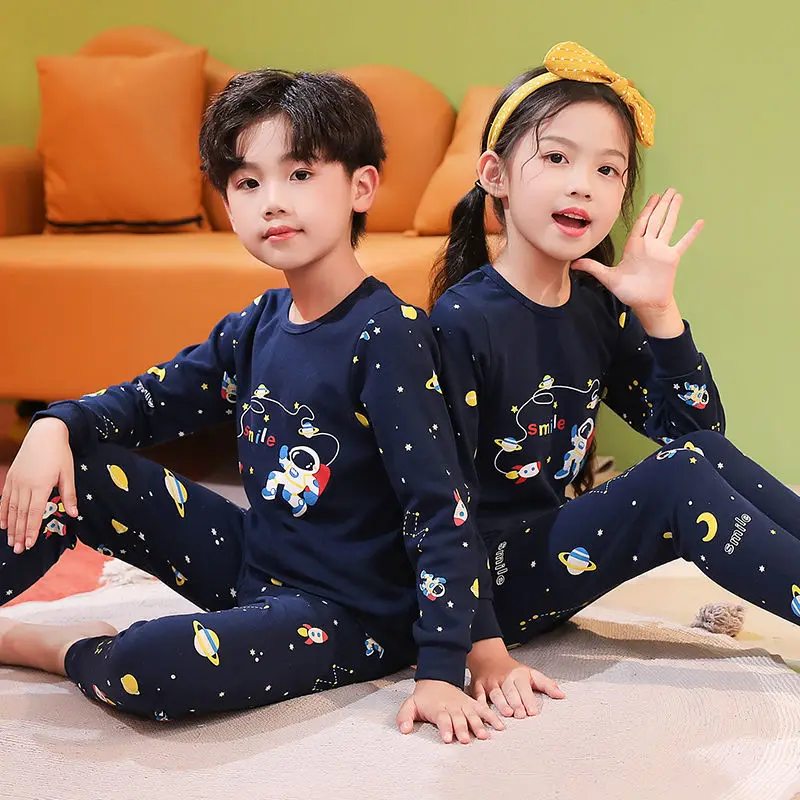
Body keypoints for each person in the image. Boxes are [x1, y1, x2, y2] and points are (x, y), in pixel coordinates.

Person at [0, 68, 504, 743]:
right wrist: (54, 423)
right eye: (247, 182)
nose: (273, 201)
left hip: (349, 615)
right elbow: (150, 400)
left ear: (361, 188)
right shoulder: (259, 323)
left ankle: (53, 646)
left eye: (300, 174)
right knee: (76, 463)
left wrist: (441, 668)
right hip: (251, 565)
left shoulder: (391, 336)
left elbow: (441, 508)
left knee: (148, 665)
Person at [429, 41, 800, 719]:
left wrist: (659, 310)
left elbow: (699, 434)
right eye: (557, 158)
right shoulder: (462, 319)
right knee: (676, 481)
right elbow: (435, 499)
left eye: (607, 169)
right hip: (481, 586)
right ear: (495, 174)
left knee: (694, 459)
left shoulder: (596, 306)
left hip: (546, 545)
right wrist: (478, 647)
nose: (583, 185)